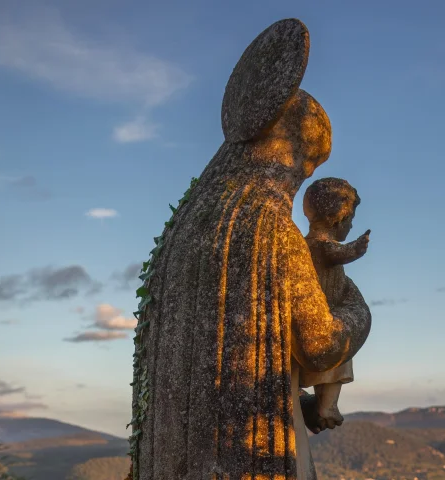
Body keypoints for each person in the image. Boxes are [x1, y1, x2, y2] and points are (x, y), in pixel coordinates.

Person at [131, 19, 372, 480]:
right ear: (290, 154)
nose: (299, 178)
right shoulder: (272, 226)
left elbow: (208, 373)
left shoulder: (182, 229)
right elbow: (321, 346)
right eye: (305, 165)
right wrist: (357, 313)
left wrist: (290, 396)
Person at [300, 177, 371, 432]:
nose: (351, 225)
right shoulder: (321, 245)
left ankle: (324, 404)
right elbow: (336, 253)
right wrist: (357, 248)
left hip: (324, 315)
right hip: (326, 318)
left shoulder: (305, 246)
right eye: (350, 219)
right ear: (337, 219)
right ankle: (327, 405)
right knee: (342, 351)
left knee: (340, 354)